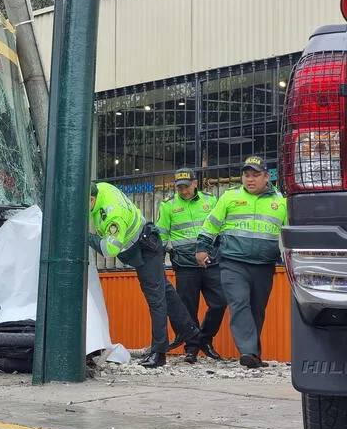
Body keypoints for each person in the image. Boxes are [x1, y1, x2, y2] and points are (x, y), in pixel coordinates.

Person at [89, 182, 200, 368]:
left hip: (146, 248)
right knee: (166, 292)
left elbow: (109, 249)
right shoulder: (100, 187)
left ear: (92, 199)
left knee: (156, 300)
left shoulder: (112, 212)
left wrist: (85, 237)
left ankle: (159, 352)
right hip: (145, 243)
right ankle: (190, 332)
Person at [196, 156, 287, 369]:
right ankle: (248, 351)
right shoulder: (230, 197)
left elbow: (292, 230)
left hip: (264, 265)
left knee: (257, 309)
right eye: (247, 175)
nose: (250, 179)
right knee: (239, 303)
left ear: (267, 177)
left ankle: (254, 355)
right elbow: (211, 224)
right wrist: (201, 248)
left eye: (255, 175)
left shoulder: (281, 201)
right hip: (233, 262)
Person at [157, 169, 226, 363]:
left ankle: (205, 338)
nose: (183, 191)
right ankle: (192, 348)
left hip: (210, 262)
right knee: (188, 308)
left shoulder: (211, 201)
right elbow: (162, 235)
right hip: (185, 264)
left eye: (186, 186)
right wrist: (158, 261)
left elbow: (220, 227)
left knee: (220, 302)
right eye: (179, 187)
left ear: (195, 183)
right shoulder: (168, 206)